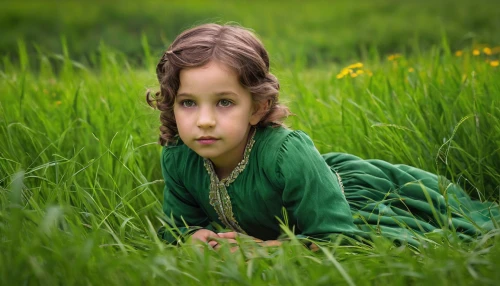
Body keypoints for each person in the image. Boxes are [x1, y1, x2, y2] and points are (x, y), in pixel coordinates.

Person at [147, 23, 499, 249]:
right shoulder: (179, 157)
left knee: (445, 232)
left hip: (343, 202)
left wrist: (266, 249)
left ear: (257, 107)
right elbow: (179, 226)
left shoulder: (286, 153)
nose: (204, 121)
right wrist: (194, 238)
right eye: (188, 103)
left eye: (224, 102)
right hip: (301, 212)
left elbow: (337, 236)